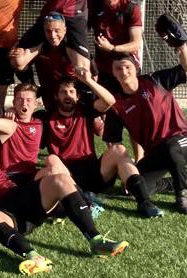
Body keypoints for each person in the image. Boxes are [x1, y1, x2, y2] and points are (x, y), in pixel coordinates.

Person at [0, 120, 129, 275]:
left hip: (16, 196)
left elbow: (11, 127)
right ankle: (34, 257)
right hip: (1, 216)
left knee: (60, 179)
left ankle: (96, 240)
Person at [104, 22, 187, 214]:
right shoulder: (116, 105)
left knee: (170, 146)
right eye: (118, 69)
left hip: (185, 141)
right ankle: (176, 181)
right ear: (113, 73)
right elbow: (115, 144)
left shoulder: (155, 80)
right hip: (157, 153)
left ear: (135, 67)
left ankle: (181, 196)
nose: (123, 72)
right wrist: (127, 169)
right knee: (134, 187)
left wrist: (182, 46)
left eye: (127, 67)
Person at [42, 74, 165, 218]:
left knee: (118, 150)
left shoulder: (85, 110)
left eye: (71, 92)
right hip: (66, 177)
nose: (68, 95)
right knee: (51, 159)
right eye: (63, 92)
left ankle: (145, 202)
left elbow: (110, 101)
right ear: (56, 96)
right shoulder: (46, 117)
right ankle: (85, 199)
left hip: (93, 173)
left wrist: (88, 80)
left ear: (77, 96)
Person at [11, 12, 77, 112]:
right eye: (48, 31)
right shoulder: (39, 47)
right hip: (49, 95)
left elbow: (92, 72)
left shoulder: (73, 47)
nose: (53, 35)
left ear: (65, 30)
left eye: (57, 30)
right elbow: (21, 68)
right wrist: (33, 87)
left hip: (70, 94)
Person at [88, 0, 142, 87]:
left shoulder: (130, 8)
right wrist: (89, 62)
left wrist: (112, 48)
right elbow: (80, 33)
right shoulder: (93, 5)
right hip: (103, 68)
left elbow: (136, 44)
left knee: (129, 97)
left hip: (126, 68)